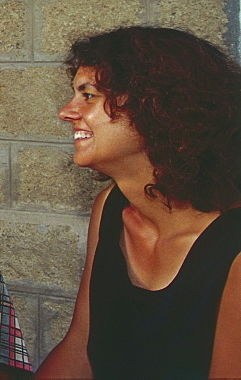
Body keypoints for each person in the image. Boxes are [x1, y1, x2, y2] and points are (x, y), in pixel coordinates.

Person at [36, 26, 241, 379]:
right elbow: (80, 350)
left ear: (159, 107)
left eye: (88, 95)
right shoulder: (110, 207)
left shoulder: (232, 252)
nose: (66, 112)